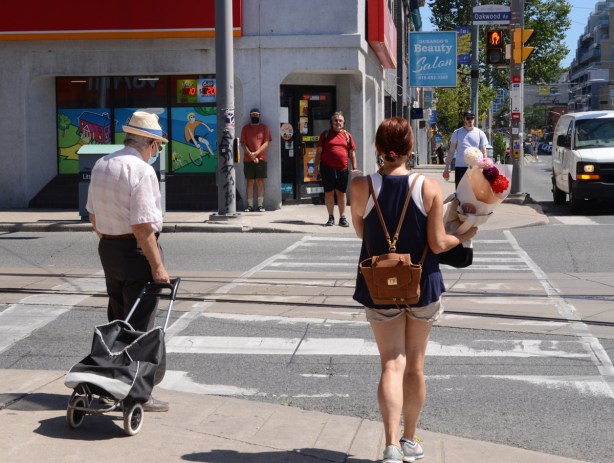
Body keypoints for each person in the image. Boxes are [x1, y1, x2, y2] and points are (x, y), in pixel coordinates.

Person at [350, 117, 477, 463]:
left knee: (391, 363)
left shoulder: (361, 186)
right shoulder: (428, 186)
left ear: (378, 148)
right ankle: (409, 441)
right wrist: (462, 236)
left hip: (378, 285)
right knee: (415, 367)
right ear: (410, 148)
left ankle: (389, 445)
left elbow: (362, 232)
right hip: (422, 285)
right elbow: (437, 244)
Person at [86, 110, 171, 412]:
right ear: (148, 143)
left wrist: (110, 240)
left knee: (117, 318)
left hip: (108, 248)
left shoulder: (102, 164)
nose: (156, 152)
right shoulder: (142, 171)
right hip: (135, 253)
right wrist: (158, 266)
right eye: (157, 146)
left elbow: (93, 216)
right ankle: (138, 394)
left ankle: (109, 382)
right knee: (140, 325)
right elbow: (143, 226)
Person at [313, 111, 360, 227]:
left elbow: (352, 153)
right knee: (329, 193)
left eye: (340, 120)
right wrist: (315, 167)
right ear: (331, 122)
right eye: (335, 120)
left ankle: (342, 218)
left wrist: (354, 167)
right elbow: (318, 152)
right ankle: (330, 217)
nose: (338, 122)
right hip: (327, 168)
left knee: (341, 193)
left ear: (343, 123)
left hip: (342, 169)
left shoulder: (347, 136)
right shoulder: (325, 135)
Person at [443, 109, 488, 188]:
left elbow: (484, 153)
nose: (470, 120)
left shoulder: (480, 133)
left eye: (472, 118)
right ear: (464, 119)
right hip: (460, 167)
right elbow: (451, 151)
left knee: (474, 194)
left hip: (475, 168)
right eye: (468, 118)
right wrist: (446, 168)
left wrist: (485, 168)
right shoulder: (457, 133)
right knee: (460, 194)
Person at [240, 108, 272, 212]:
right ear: (250, 116)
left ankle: (260, 205)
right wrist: (250, 155)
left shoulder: (264, 128)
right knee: (250, 182)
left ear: (259, 115)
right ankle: (249, 205)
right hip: (248, 160)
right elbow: (243, 143)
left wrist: (256, 154)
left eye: (256, 115)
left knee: (260, 181)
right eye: (253, 115)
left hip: (261, 159)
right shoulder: (245, 128)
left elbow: (266, 142)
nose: (255, 116)